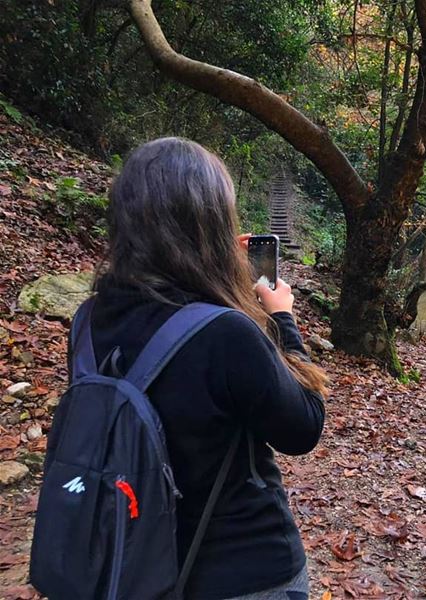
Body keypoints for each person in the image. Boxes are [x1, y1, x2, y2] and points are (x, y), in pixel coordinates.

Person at [71, 137, 329, 599]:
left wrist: (220, 272)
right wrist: (283, 318)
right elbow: (303, 427)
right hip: (243, 569)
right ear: (209, 223)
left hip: (129, 561)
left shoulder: (88, 321)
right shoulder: (227, 333)